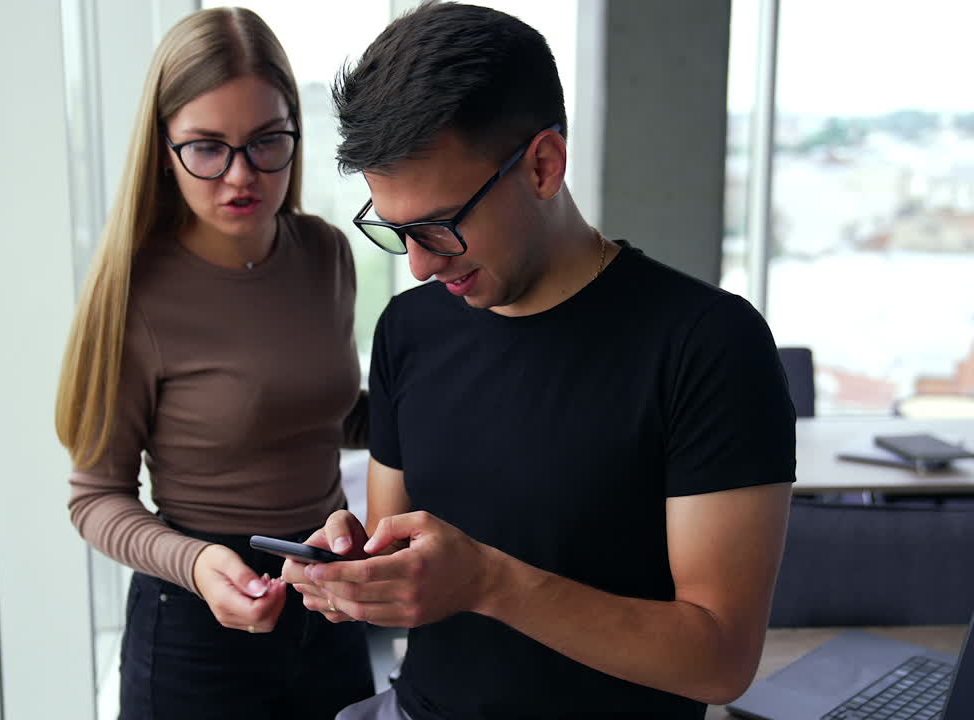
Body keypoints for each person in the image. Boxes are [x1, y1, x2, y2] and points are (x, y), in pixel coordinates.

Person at [282, 4, 797, 719]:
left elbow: (720, 659)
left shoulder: (708, 346)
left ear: (544, 165)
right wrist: (354, 570)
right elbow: (398, 562)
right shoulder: (409, 330)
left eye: (438, 227)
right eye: (396, 230)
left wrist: (492, 583)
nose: (422, 265)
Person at [54, 7, 373, 719]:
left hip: (327, 597)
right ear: (162, 149)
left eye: (268, 142)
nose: (241, 175)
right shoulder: (135, 292)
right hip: (195, 621)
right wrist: (196, 564)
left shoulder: (324, 253)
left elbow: (325, 411)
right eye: (206, 148)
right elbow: (94, 496)